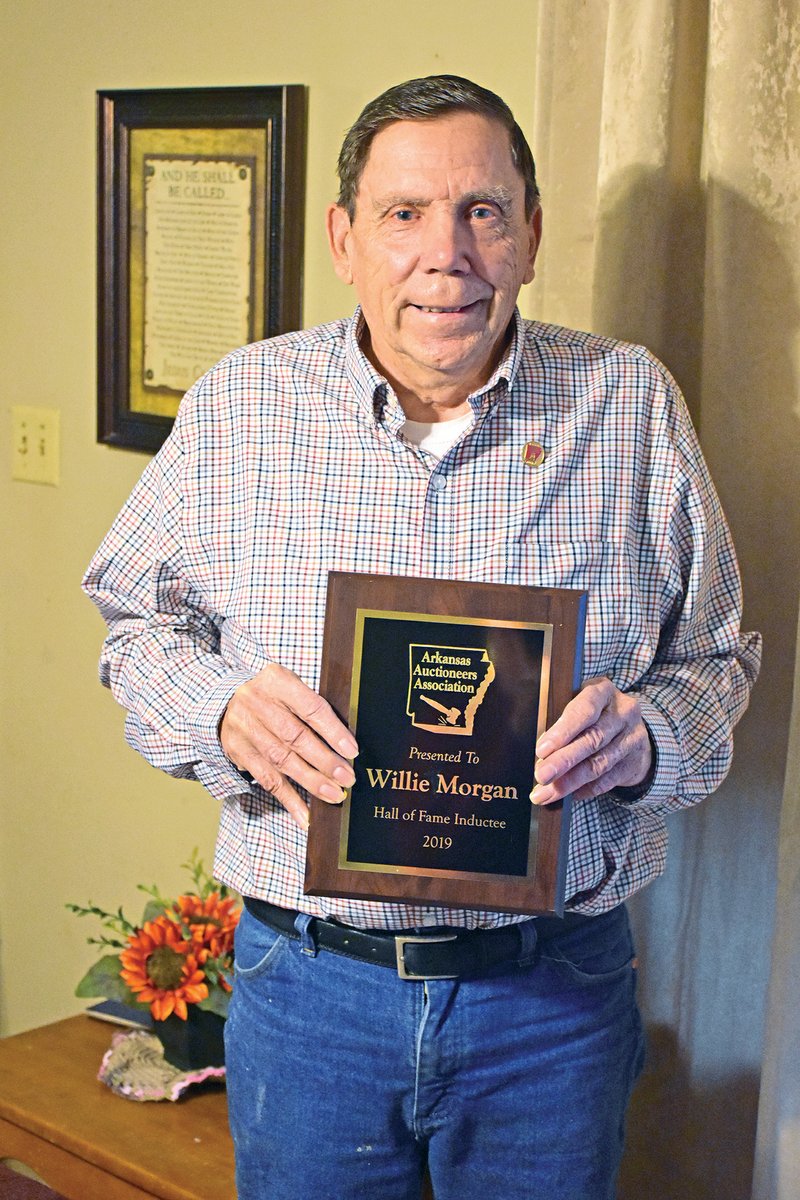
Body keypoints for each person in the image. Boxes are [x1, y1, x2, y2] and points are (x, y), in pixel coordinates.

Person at [83, 75, 761, 1199]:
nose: (445, 253)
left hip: (549, 1004)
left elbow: (717, 657)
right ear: (345, 239)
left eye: (481, 211)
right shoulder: (242, 407)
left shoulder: (626, 407)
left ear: (530, 236)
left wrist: (647, 738)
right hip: (309, 994)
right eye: (403, 214)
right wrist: (219, 708)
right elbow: (134, 624)